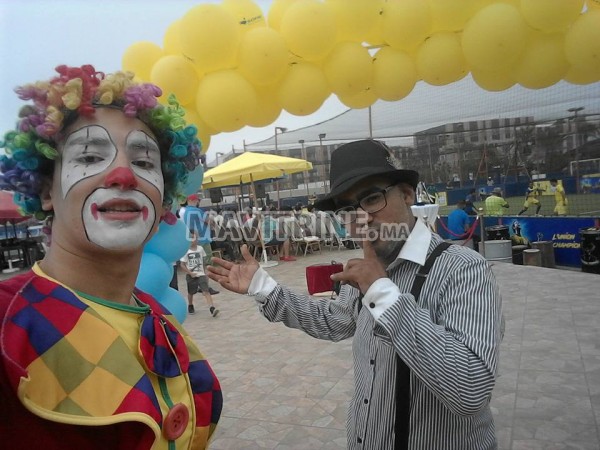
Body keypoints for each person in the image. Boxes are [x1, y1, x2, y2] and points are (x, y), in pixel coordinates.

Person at [208, 139, 503, 449]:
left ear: (406, 193)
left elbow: (471, 390)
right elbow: (336, 320)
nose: (361, 218)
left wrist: (383, 294)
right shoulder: (368, 267)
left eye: (372, 198)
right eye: (348, 210)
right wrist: (263, 287)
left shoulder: (463, 269)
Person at [0, 65, 222, 449]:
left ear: (163, 196)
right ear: (45, 190)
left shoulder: (159, 318)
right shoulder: (7, 324)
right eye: (88, 157)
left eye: (144, 162)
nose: (124, 175)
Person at [180, 233, 220, 317]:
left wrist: (205, 272)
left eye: (194, 238)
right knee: (191, 292)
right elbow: (182, 264)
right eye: (190, 238)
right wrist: (190, 273)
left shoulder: (200, 249)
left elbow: (203, 261)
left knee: (206, 291)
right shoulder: (185, 251)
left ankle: (212, 308)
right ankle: (190, 305)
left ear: (197, 239)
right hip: (191, 275)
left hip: (201, 274)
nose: (192, 240)